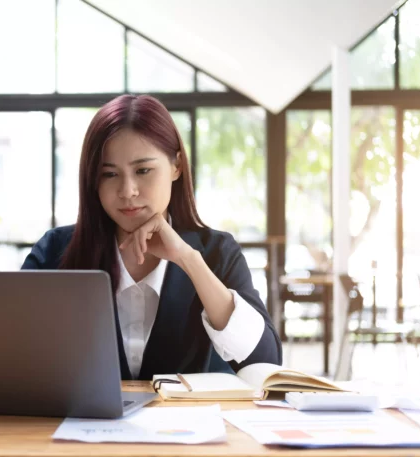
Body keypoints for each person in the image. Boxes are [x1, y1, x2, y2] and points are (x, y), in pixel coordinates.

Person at [22, 94, 282, 380]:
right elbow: (9, 350)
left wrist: (188, 261)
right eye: (109, 174)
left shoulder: (217, 253)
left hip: (193, 424)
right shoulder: (56, 251)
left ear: (176, 166)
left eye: (143, 170)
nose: (127, 191)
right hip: (77, 423)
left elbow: (264, 360)